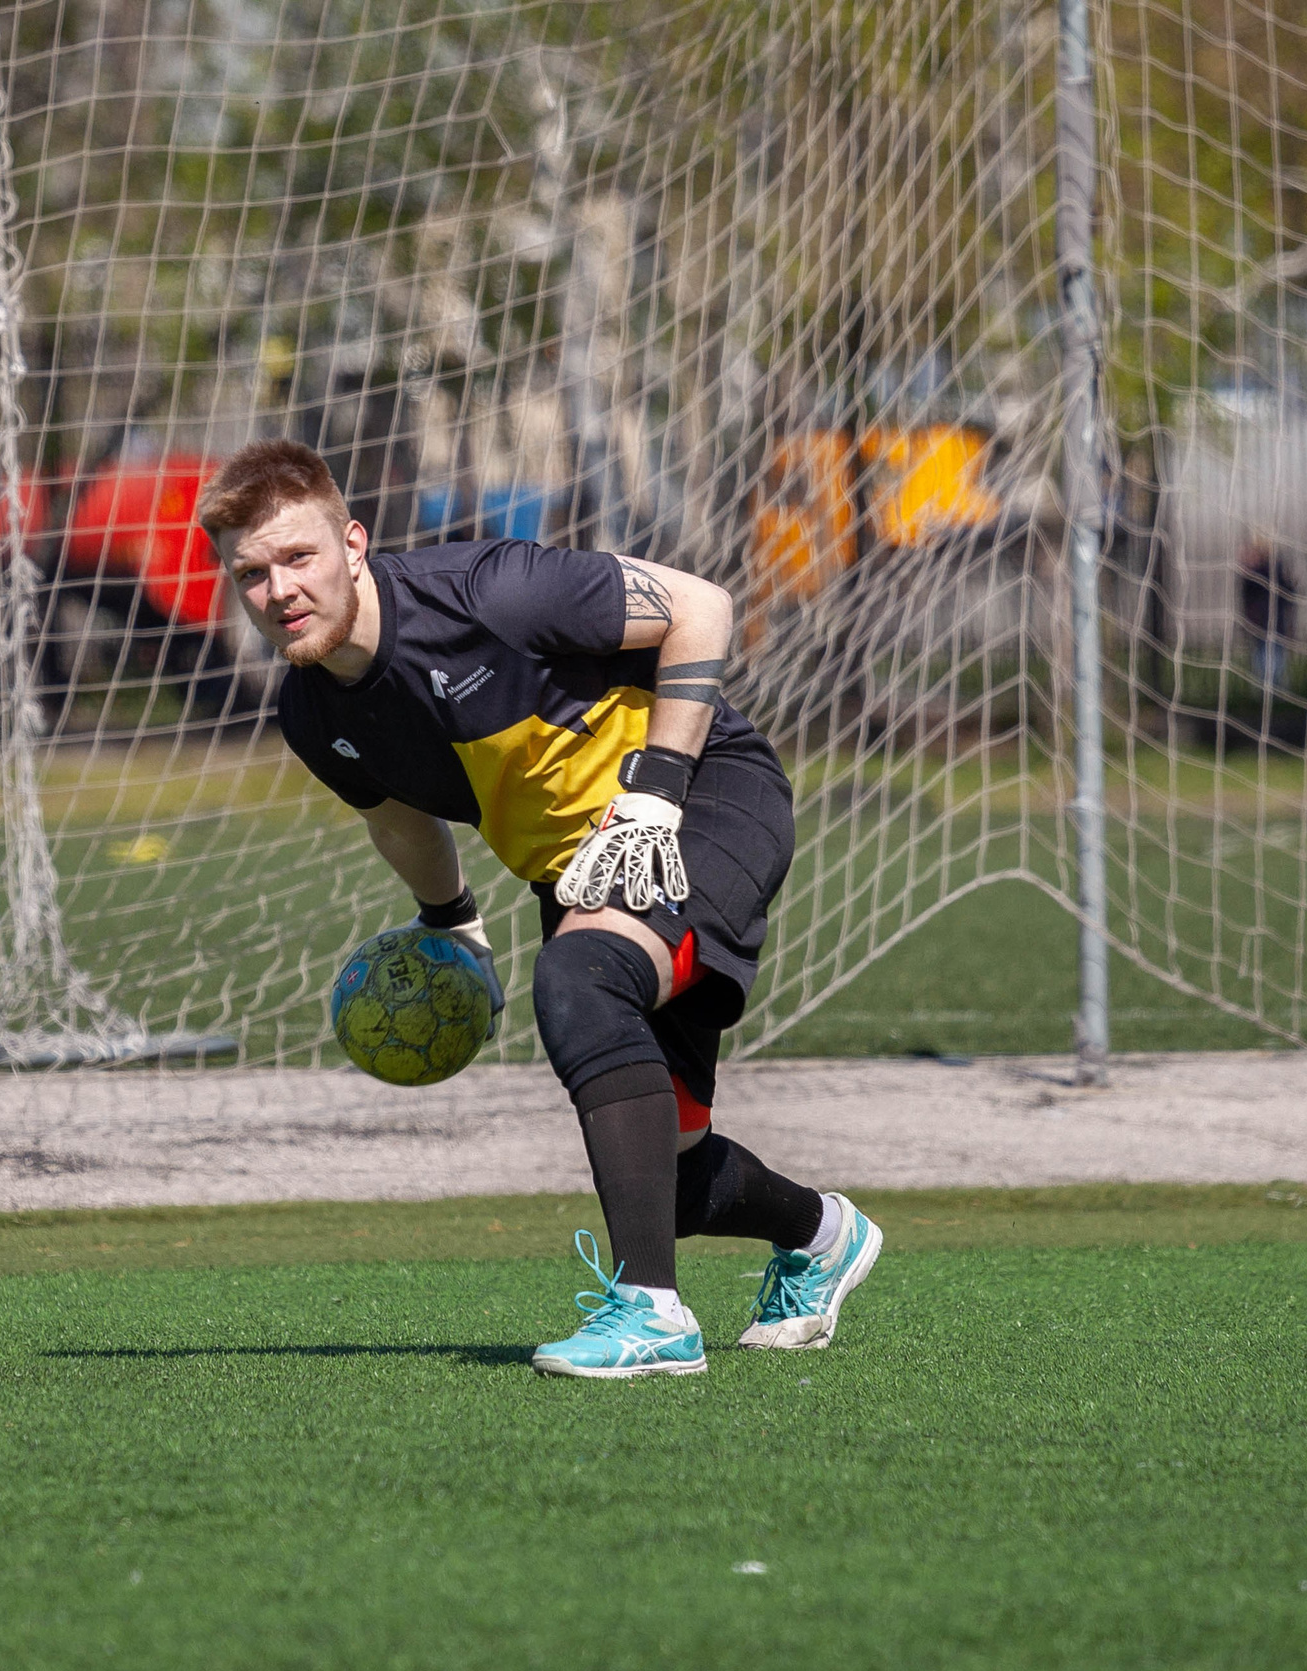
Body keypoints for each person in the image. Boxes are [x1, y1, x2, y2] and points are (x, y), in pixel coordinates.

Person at [196, 440, 882, 1380]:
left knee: (577, 975)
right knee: (666, 1172)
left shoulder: (488, 590)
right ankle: (821, 1235)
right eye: (252, 573)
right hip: (578, 872)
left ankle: (652, 1316)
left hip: (700, 796)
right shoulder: (314, 715)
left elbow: (703, 607)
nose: (279, 589)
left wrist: (655, 788)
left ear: (353, 543)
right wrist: (450, 924)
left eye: (298, 557)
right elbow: (399, 817)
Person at [1236, 531, 1297, 689]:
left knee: (1273, 656)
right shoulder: (1253, 572)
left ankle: (1274, 690)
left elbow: (1286, 593)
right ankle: (1265, 690)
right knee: (1263, 655)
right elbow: (1247, 595)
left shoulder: (1271, 569)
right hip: (1259, 621)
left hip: (1273, 620)